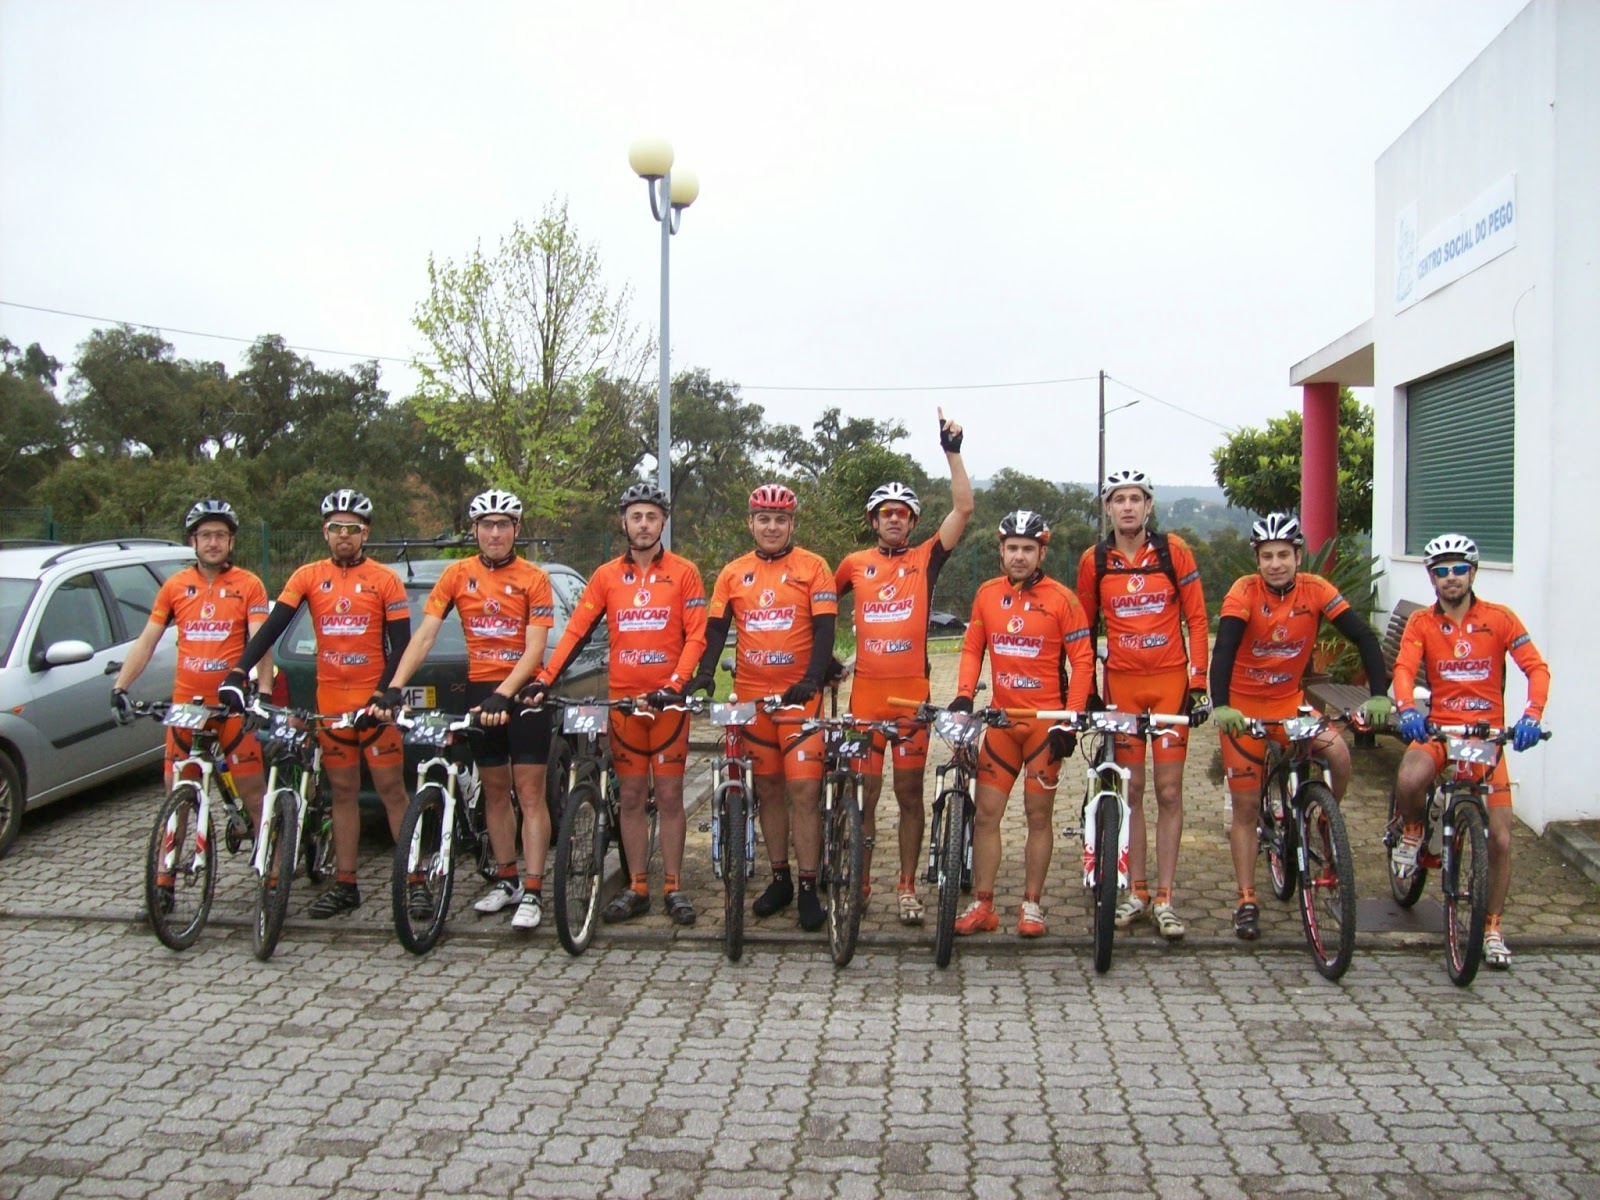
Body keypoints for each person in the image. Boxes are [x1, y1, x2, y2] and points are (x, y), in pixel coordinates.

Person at [220, 489, 412, 919]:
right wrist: (237, 673)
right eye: (336, 527)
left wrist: (383, 694)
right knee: (342, 793)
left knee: (391, 791)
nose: (344, 535)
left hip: (373, 705)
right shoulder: (308, 576)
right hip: (331, 703)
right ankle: (346, 884)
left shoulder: (385, 579)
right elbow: (270, 629)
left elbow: (402, 646)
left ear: (365, 533)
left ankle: (414, 881)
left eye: (353, 528)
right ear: (325, 532)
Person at [522, 483, 707, 927]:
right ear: (623, 522)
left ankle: (673, 886)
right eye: (636, 516)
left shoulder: (684, 572)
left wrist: (677, 684)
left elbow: (697, 635)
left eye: (652, 517)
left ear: (663, 522)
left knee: (669, 796)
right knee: (630, 796)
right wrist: (545, 679)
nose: (644, 525)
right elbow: (576, 631)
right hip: (624, 704)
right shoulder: (606, 576)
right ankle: (638, 886)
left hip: (667, 705)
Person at [376, 489, 556, 931]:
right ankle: (508, 879)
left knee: (529, 793)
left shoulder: (534, 577)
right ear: (474, 531)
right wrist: (394, 687)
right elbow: (424, 636)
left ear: (516, 529)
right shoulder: (457, 574)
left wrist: (506, 694)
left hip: (523, 693)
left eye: (503, 525)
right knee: (494, 791)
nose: (495, 533)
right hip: (480, 689)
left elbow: (535, 648)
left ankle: (534, 890)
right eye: (486, 526)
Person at [1209, 513, 1392, 940]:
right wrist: (1223, 705)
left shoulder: (1317, 589)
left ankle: (1324, 818)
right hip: (1245, 710)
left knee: (1338, 753)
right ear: (1257, 560)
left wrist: (1379, 694)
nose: (1275, 564)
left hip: (1290, 703)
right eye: (1267, 556)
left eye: (1283, 555)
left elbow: (1364, 637)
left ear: (1297, 556)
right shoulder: (1244, 592)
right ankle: (1246, 900)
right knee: (1246, 807)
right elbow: (1225, 650)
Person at [833, 409, 973, 924]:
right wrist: (821, 659)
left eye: (903, 513)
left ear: (913, 522)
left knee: (909, 795)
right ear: (873, 520)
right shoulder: (853, 564)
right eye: (885, 512)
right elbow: (818, 609)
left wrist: (952, 452)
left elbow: (964, 508)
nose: (894, 519)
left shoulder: (926, 559)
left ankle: (907, 887)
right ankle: (861, 881)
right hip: (865, 699)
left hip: (912, 698)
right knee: (863, 798)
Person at [1389, 533, 1549, 969]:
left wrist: (1532, 715)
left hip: (1485, 737)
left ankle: (1492, 928)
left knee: (1500, 838)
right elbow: (1404, 669)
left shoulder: (1500, 619)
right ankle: (1413, 829)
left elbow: (1535, 668)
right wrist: (1407, 708)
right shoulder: (1422, 623)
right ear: (1432, 578)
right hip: (1441, 730)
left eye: (1459, 568)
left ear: (1473, 572)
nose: (1451, 577)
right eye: (1441, 571)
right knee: (1409, 777)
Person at [687, 484, 838, 931]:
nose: (772, 527)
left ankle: (808, 886)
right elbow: (716, 630)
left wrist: (812, 678)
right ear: (751, 523)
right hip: (752, 699)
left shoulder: (814, 567)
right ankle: (781, 879)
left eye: (781, 520)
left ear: (792, 524)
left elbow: (825, 630)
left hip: (798, 700)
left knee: (804, 792)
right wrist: (705, 673)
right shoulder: (733, 573)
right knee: (769, 791)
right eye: (764, 519)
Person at [112, 500, 272, 907]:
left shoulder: (249, 584)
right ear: (193, 541)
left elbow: (260, 642)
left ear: (231, 541)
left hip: (232, 706)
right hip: (186, 706)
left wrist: (263, 693)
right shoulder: (174, 586)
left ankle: (270, 876)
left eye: (220, 535)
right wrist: (120, 686)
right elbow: (147, 640)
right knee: (177, 797)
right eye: (205, 536)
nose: (213, 542)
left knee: (254, 794)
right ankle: (164, 881)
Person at [1075, 469, 1210, 941]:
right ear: (1108, 508)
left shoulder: (1174, 551)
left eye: (1136, 499)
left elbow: (1197, 618)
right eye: (1119, 500)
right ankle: (1137, 891)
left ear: (1148, 505)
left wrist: (1199, 683)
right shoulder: (1094, 560)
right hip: (1123, 686)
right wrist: (1087, 688)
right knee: (1131, 793)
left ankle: (1166, 898)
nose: (1128, 507)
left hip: (1170, 684)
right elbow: (1084, 629)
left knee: (1169, 792)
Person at [950, 511, 1094, 938]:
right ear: (1001, 551)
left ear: (1041, 553)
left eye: (1028, 549)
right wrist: (964, 693)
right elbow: (973, 648)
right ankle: (984, 904)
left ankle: (1032, 905)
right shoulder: (986, 594)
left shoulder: (1063, 600)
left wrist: (1069, 720)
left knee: (1038, 818)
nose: (1019, 556)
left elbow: (1083, 661)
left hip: (1043, 727)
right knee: (985, 816)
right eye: (1012, 548)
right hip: (1001, 722)